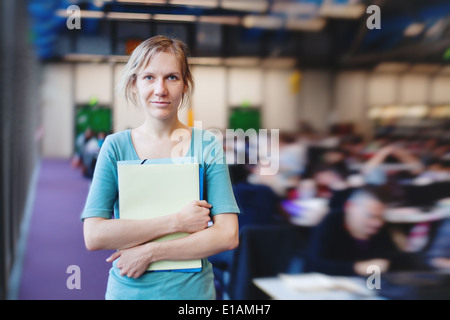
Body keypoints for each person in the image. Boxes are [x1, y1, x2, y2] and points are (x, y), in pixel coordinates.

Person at [81, 35, 240, 300]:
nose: (160, 89)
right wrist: (177, 221)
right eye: (149, 77)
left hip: (193, 294)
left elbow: (228, 234)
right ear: (134, 84)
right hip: (129, 291)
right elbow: (94, 235)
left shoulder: (206, 145)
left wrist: (150, 252)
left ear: (185, 84)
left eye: (171, 77)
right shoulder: (115, 146)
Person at [304, 186, 407, 276]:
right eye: (371, 216)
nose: (378, 223)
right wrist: (356, 268)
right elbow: (314, 265)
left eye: (381, 217)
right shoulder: (331, 222)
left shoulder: (382, 229)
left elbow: (390, 263)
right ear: (350, 206)